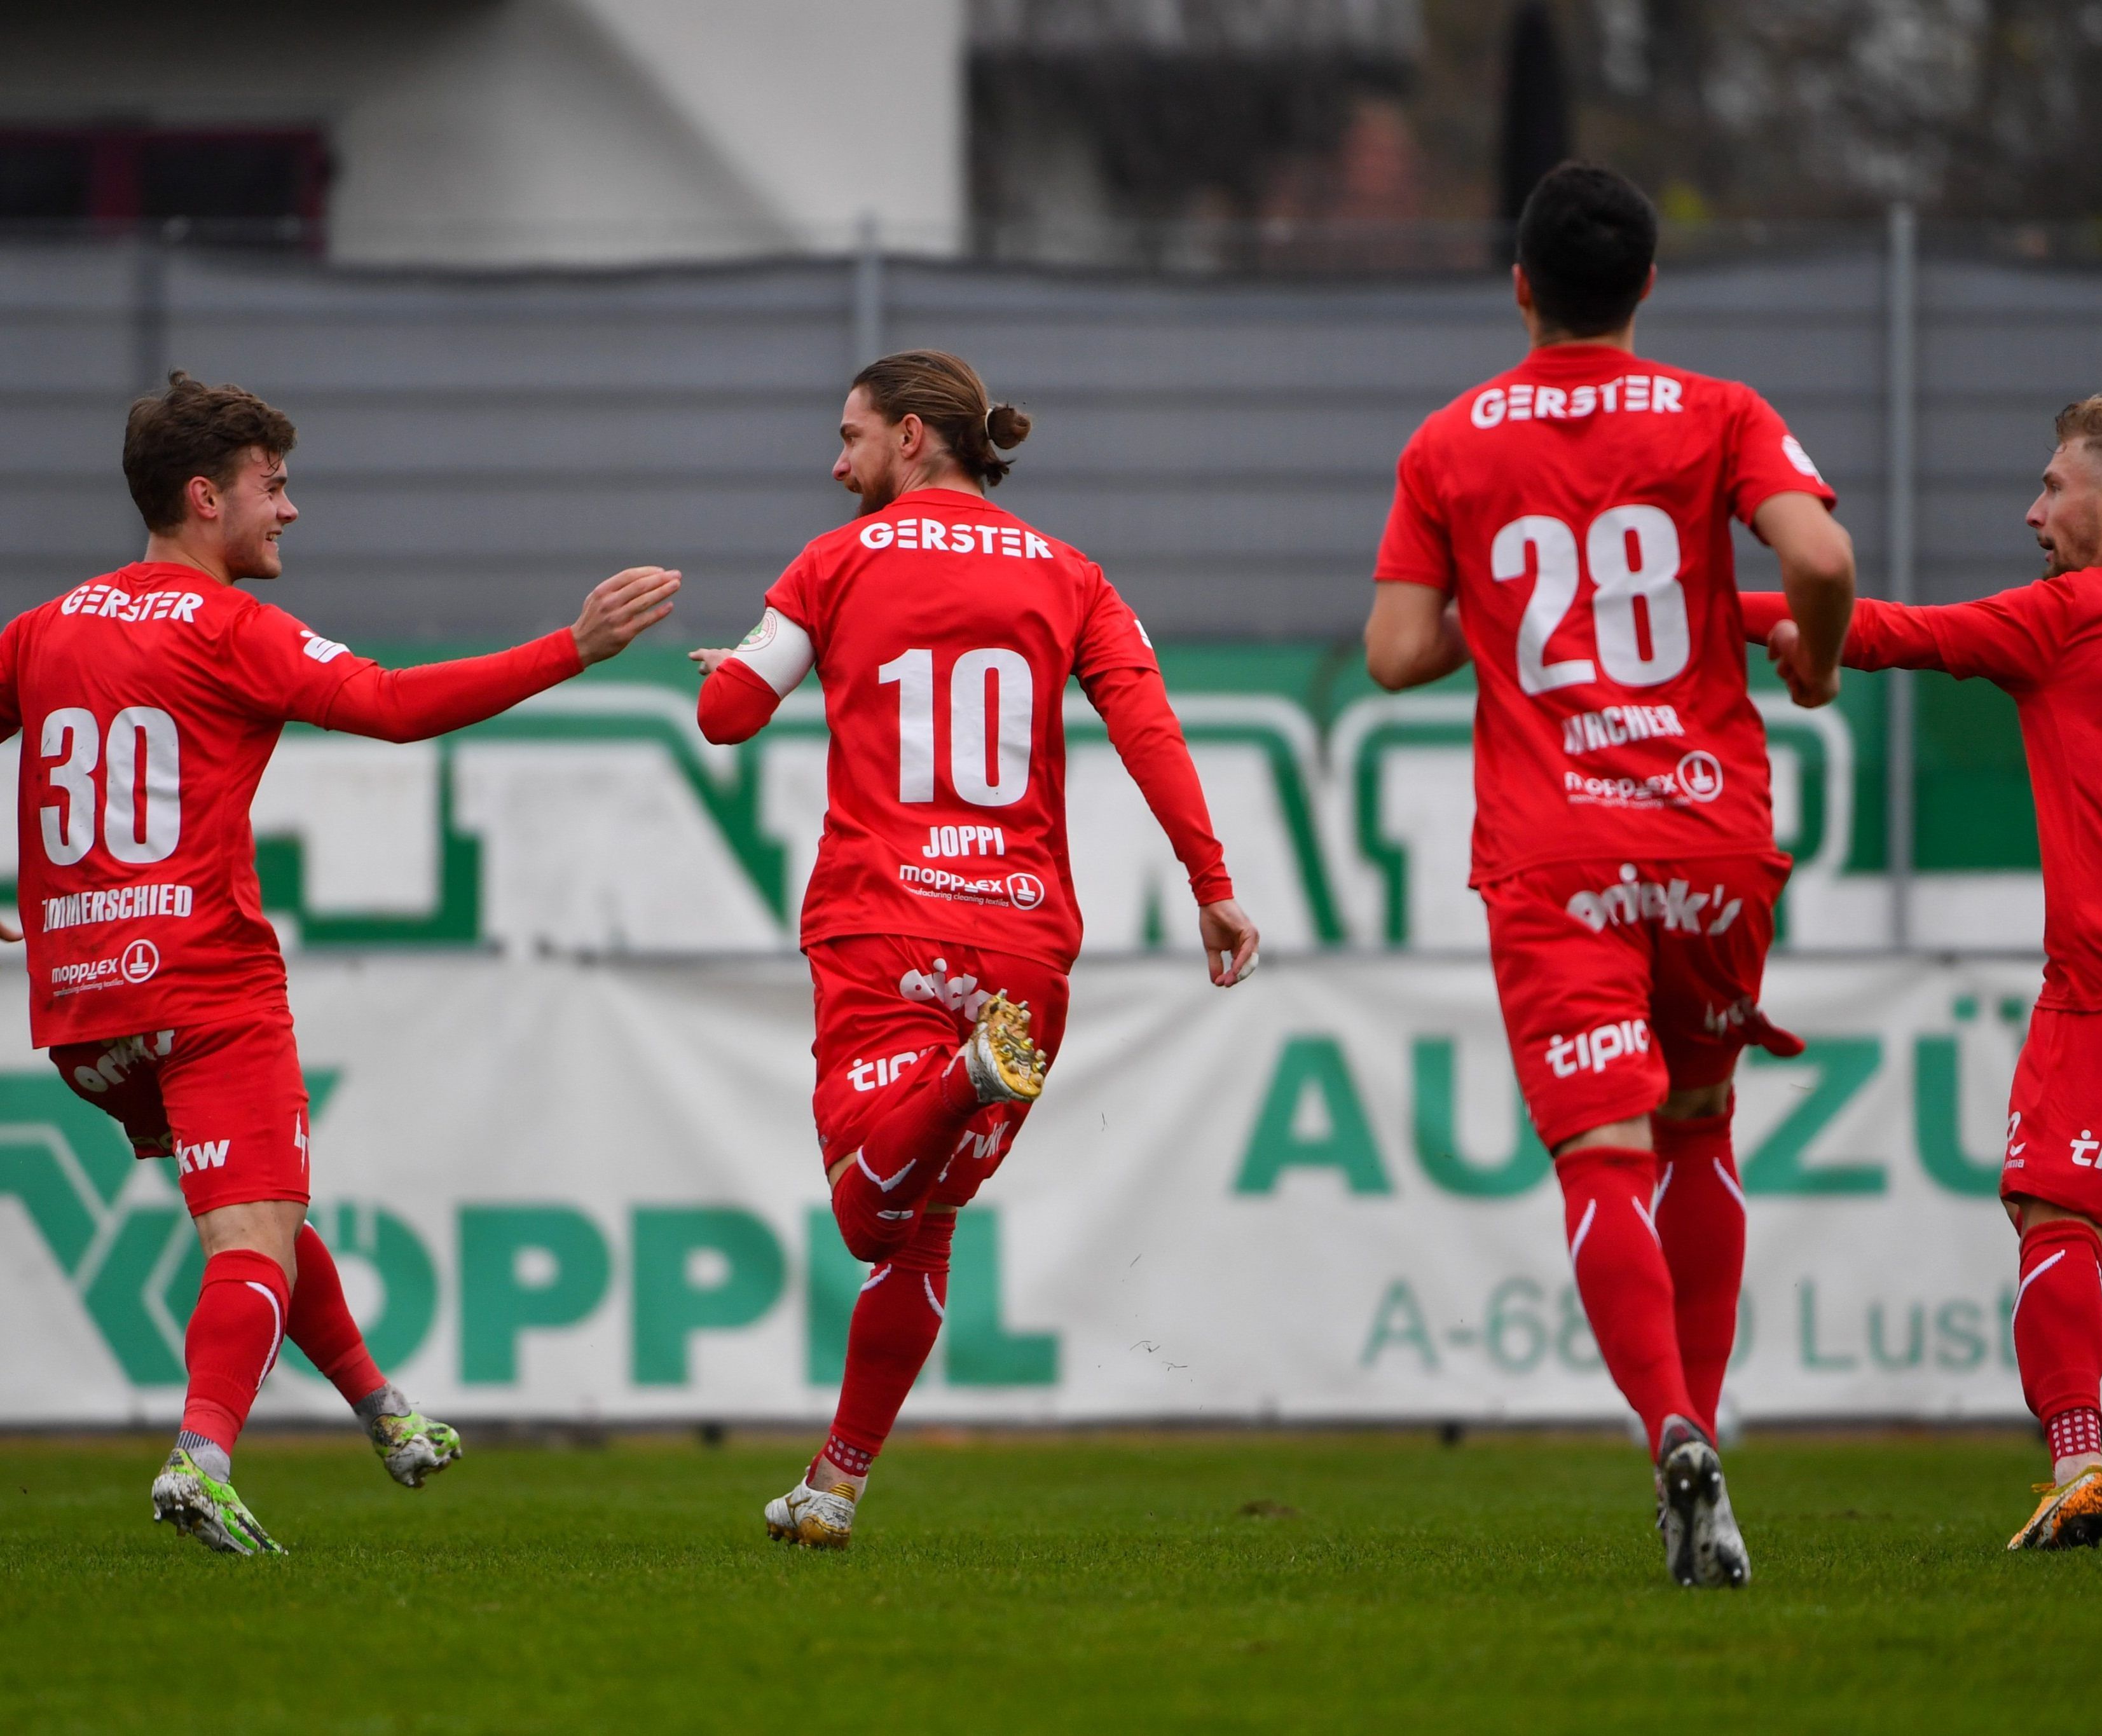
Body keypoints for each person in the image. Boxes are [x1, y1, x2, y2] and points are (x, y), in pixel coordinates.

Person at [0, 372, 680, 1554]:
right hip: (204, 986)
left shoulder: (46, 627)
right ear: (206, 497)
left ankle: (383, 1408)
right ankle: (201, 1457)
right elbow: (393, 703)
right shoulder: (229, 628)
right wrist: (571, 648)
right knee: (252, 1232)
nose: (291, 510)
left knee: (252, 1211)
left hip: (85, 1016)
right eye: (274, 487)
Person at [1363, 163, 1855, 1588]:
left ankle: (1671, 1432)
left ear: (1519, 286)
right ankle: (1709, 1445)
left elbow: (1396, 654)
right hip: (1709, 832)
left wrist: (1495, 606)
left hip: (1557, 847)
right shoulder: (1720, 409)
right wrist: (1815, 663)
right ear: (1648, 285)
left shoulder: (1448, 444)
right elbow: (1819, 552)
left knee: (1604, 1154)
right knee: (1701, 1128)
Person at [692, 348, 1259, 1550]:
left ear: (911, 438)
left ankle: (959, 1079)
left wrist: (743, 666)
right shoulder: (1072, 574)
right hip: (1022, 946)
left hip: (883, 921)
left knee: (865, 1218)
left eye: (849, 437)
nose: (834, 461)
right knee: (928, 1226)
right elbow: (1148, 727)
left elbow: (728, 719)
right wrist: (1211, 887)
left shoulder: (835, 560)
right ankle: (834, 1486)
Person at [1747, 395, 2102, 1552]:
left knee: (2050, 1210)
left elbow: (1891, 632)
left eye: (2050, 487)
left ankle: (2072, 1468)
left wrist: (1703, 614)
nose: (2030, 511)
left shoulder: (2071, 615)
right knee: (2078, 1193)